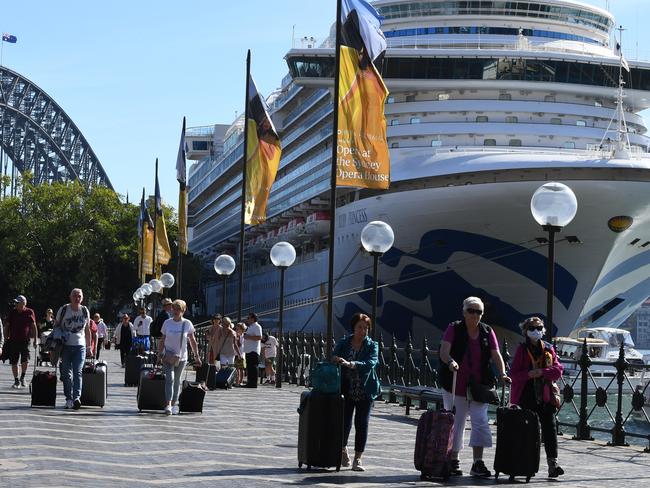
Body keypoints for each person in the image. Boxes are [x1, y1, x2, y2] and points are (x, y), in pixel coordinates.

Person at [438, 296, 510, 478]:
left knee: (480, 422)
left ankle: (478, 462)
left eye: (479, 312)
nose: (475, 315)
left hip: (479, 386)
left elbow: (496, 354)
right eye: (471, 310)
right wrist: (451, 362)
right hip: (455, 383)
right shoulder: (454, 328)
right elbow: (444, 351)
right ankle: (453, 458)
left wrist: (502, 373)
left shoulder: (487, 331)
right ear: (464, 312)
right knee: (457, 422)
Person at [510, 317, 564, 478]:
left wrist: (542, 372)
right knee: (527, 431)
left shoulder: (548, 348)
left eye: (539, 328)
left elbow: (558, 369)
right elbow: (514, 375)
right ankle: (526, 463)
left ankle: (552, 464)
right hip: (526, 394)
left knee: (550, 428)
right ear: (526, 331)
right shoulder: (522, 350)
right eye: (533, 328)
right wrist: (529, 374)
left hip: (545, 394)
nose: (536, 331)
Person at [332, 312, 381, 472]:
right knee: (344, 422)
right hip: (346, 388)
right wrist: (337, 359)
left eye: (366, 328)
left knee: (362, 423)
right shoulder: (345, 342)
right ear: (353, 328)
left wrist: (352, 364)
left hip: (365, 389)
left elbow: (371, 362)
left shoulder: (372, 345)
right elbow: (333, 355)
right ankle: (342, 449)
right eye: (360, 327)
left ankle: (358, 458)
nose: (363, 331)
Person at [158, 299, 201, 415]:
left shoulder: (187, 323)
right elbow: (162, 340)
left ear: (183, 310)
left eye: (179, 309)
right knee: (170, 379)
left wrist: (197, 356)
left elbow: (192, 341)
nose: (176, 311)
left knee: (177, 381)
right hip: (168, 356)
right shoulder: (167, 323)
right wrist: (159, 353)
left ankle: (173, 404)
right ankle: (167, 404)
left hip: (181, 357)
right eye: (174, 309)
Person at [55, 288, 93, 410]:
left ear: (82, 298)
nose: (77, 298)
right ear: (70, 297)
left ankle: (77, 397)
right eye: (75, 296)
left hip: (80, 346)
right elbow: (56, 326)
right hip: (65, 346)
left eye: (79, 296)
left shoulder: (85, 310)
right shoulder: (64, 310)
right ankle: (69, 398)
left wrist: (89, 347)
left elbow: (87, 330)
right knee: (66, 374)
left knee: (78, 372)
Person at [6, 295, 38, 389]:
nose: (15, 304)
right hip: (13, 340)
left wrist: (35, 340)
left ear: (23, 304)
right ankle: (16, 380)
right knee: (14, 361)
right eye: (15, 302)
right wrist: (5, 338)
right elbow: (7, 325)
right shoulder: (13, 312)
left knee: (25, 360)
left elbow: (34, 326)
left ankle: (22, 377)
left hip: (25, 340)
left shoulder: (29, 312)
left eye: (17, 303)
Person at [243, 313, 262, 388]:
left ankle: (253, 383)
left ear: (253, 319)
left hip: (253, 350)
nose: (247, 319)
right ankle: (249, 382)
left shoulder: (257, 326)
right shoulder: (250, 327)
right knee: (249, 367)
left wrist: (248, 337)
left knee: (253, 367)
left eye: (248, 318)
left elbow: (259, 337)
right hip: (248, 349)